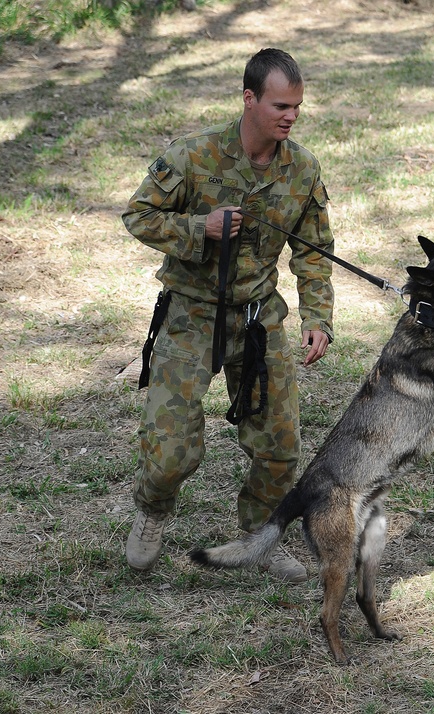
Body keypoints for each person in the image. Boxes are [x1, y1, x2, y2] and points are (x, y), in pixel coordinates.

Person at [121, 48, 335, 581]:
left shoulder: (301, 169)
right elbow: (138, 215)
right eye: (280, 105)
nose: (290, 116)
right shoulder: (194, 157)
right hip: (192, 315)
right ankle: (151, 511)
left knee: (281, 447)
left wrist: (317, 317)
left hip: (260, 320)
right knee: (170, 450)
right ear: (248, 98)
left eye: (297, 107)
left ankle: (261, 534)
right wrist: (200, 229)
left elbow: (314, 251)